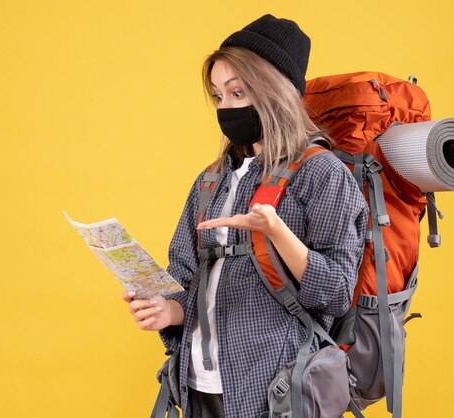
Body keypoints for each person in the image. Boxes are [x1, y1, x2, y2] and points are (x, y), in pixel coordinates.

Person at [122, 14, 368, 418]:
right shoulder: (211, 179)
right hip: (198, 384)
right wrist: (169, 310)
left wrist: (276, 232)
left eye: (238, 93)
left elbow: (337, 292)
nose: (226, 107)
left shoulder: (321, 173)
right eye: (219, 96)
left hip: (277, 387)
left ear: (276, 93)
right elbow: (185, 275)